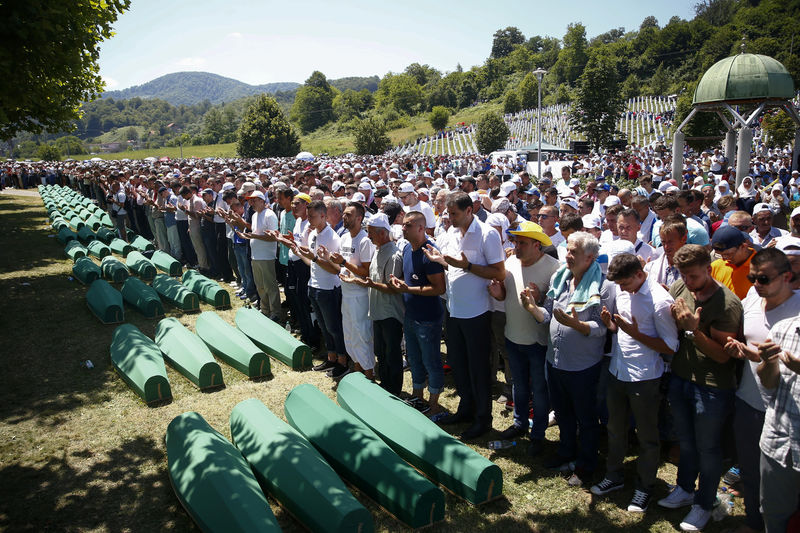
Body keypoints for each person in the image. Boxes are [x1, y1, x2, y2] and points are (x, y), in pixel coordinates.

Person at [660, 245, 742, 532]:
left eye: (693, 275)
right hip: (681, 377)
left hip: (712, 387)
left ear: (709, 268)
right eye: (683, 274)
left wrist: (694, 331)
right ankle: (684, 489)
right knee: (686, 441)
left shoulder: (726, 304)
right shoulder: (680, 285)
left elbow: (723, 356)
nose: (688, 282)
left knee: (708, 449)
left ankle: (703, 504)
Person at [592, 253, 679, 513]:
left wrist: (634, 333)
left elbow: (670, 347)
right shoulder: (624, 291)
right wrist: (612, 327)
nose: (621, 290)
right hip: (618, 371)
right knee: (615, 429)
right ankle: (614, 476)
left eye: (625, 283)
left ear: (639, 274)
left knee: (647, 437)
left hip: (645, 378)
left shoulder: (660, 302)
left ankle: (644, 488)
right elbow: (624, 330)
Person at [723, 249, 800, 533]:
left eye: (764, 278)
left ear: (787, 277)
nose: (756, 283)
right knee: (753, 472)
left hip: (789, 412)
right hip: (750, 398)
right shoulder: (753, 299)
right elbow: (757, 349)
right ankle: (755, 524)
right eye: (753, 277)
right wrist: (746, 351)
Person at [424, 191, 505, 440]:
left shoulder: (487, 234)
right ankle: (465, 409)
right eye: (448, 213)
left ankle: (483, 418)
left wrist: (467, 266)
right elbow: (453, 264)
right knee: (459, 365)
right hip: (454, 309)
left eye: (454, 213)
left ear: (470, 210)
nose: (449, 218)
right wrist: (441, 261)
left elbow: (499, 272)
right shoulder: (450, 232)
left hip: (477, 313)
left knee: (478, 368)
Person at [540, 231, 615, 487]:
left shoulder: (603, 288)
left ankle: (585, 465)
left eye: (574, 252)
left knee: (586, 417)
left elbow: (604, 328)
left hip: (583, 366)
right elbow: (548, 313)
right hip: (555, 360)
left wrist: (579, 325)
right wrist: (530, 306)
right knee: (562, 412)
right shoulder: (559, 279)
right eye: (568, 250)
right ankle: (565, 452)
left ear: (590, 257)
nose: (568, 256)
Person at [489, 221, 559, 456]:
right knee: (518, 385)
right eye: (516, 242)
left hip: (538, 342)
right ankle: (520, 423)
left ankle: (537, 433)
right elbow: (506, 296)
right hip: (513, 336)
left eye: (522, 243)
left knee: (539, 390)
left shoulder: (553, 268)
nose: (516, 247)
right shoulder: (509, 263)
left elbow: (553, 309)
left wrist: (539, 299)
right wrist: (499, 294)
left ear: (537, 245)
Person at [389, 211, 446, 416]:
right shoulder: (407, 249)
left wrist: (408, 289)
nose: (403, 228)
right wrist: (400, 284)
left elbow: (439, 288)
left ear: (421, 228)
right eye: (403, 224)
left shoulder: (429, 252)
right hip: (411, 315)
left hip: (428, 318)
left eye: (408, 225)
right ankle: (418, 396)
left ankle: (434, 404)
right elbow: (410, 279)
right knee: (413, 358)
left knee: (431, 360)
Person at [345, 213, 405, 394]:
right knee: (380, 351)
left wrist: (370, 284)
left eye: (371, 232)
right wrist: (363, 282)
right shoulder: (378, 250)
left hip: (390, 313)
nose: (368, 236)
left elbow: (393, 288)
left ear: (382, 233)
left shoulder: (394, 255)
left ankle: (393, 390)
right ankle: (385, 387)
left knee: (392, 354)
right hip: (377, 311)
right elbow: (373, 279)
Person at [292, 200, 349, 380]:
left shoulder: (332, 238)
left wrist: (314, 258)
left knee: (334, 327)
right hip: (314, 285)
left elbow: (335, 268)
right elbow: (312, 262)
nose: (308, 219)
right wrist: (298, 251)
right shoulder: (313, 234)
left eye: (312, 216)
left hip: (329, 288)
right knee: (324, 326)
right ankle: (331, 357)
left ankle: (342, 361)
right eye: (308, 216)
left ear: (323, 216)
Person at [756, 314, 800, 533]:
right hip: (779, 443)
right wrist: (768, 362)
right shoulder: (784, 328)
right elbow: (768, 384)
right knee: (774, 513)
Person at [329, 202, 375, 379]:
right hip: (346, 292)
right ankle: (357, 368)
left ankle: (368, 372)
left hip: (360, 295)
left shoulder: (364, 240)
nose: (344, 217)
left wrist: (343, 263)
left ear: (359, 218)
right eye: (344, 214)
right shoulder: (344, 237)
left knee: (362, 333)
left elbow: (366, 271)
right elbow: (342, 264)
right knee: (349, 334)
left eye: (348, 214)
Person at [235, 191, 281, 320]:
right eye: (250, 200)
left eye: (254, 200)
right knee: (260, 285)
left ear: (262, 200)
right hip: (256, 255)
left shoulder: (269, 215)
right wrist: (248, 236)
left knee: (270, 286)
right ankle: (265, 309)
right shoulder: (255, 215)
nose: (251, 203)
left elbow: (274, 237)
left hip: (267, 256)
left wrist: (253, 236)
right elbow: (256, 233)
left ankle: (275, 312)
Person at [710, 225, 758, 299]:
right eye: (720, 255)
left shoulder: (761, 268)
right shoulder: (715, 266)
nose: (724, 259)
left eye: (728, 254)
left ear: (743, 246)